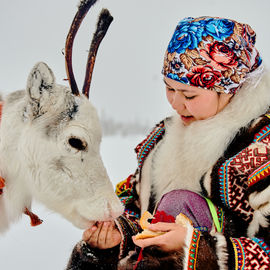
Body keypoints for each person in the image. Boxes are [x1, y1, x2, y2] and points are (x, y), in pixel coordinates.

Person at [66, 16, 270, 269]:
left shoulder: (261, 147)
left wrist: (195, 247)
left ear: (230, 89)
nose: (174, 103)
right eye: (169, 88)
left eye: (189, 94)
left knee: (182, 201)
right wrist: (116, 235)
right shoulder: (165, 138)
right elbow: (135, 207)